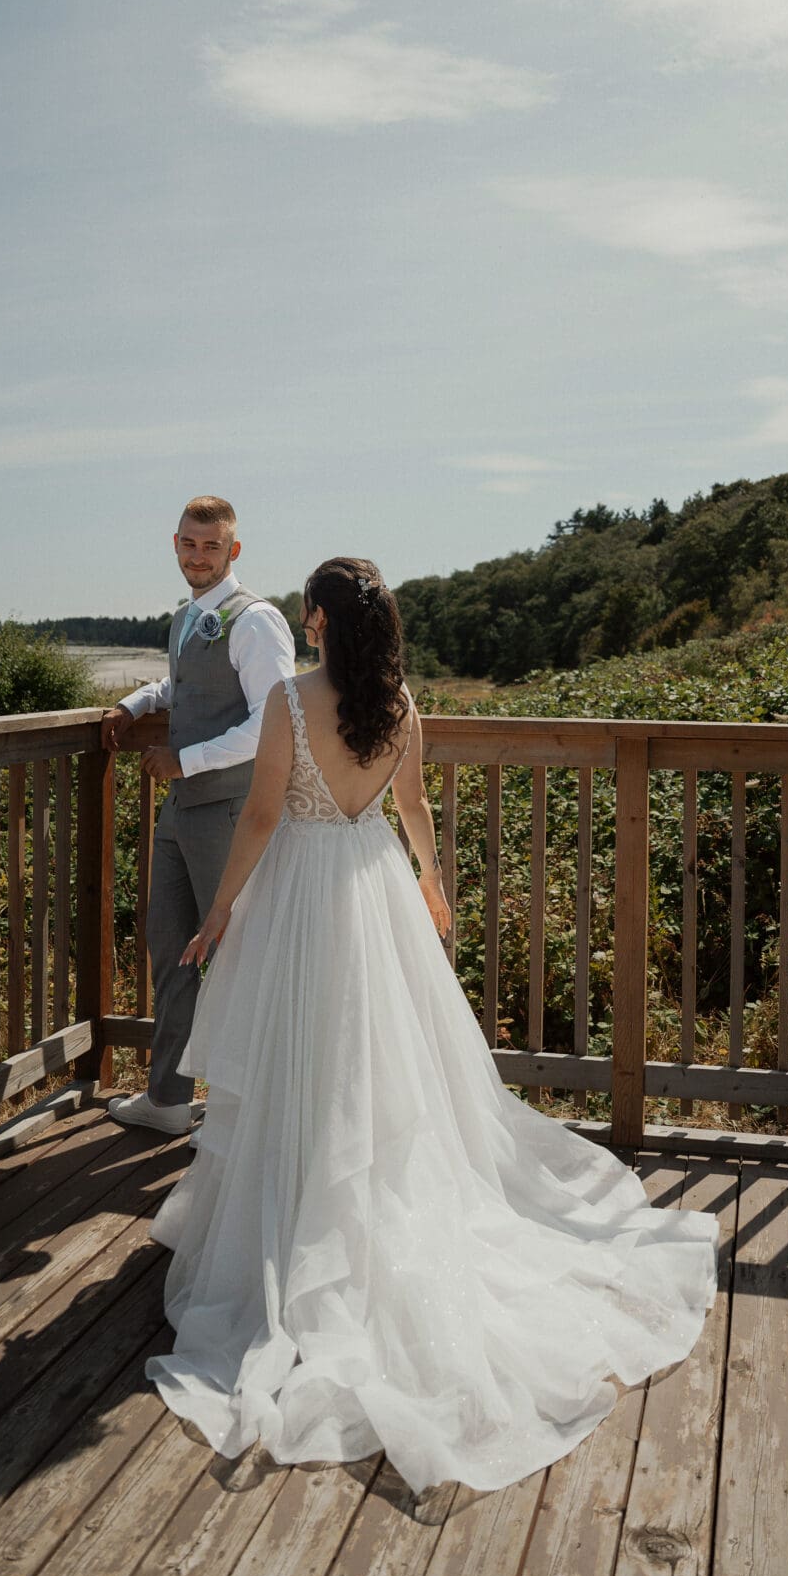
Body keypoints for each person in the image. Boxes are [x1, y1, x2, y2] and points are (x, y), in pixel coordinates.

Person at [143, 557, 717, 1495]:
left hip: (300, 897)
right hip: (375, 890)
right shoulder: (401, 706)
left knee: (302, 1059)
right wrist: (434, 887)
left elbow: (256, 817)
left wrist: (218, 913)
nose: (304, 619)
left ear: (321, 621)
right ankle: (348, 1202)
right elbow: (412, 808)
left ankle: (296, 1223)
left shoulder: (291, 701)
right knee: (377, 1063)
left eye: (309, 610)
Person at [100, 496, 295, 1135]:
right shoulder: (186, 616)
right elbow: (180, 688)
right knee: (171, 950)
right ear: (175, 544)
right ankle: (170, 1099)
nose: (199, 555)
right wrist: (133, 704)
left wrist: (188, 759)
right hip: (181, 814)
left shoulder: (256, 621)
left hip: (233, 813)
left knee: (240, 956)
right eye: (189, 544)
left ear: (233, 551)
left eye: (212, 546)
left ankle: (255, 1112)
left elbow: (274, 722)